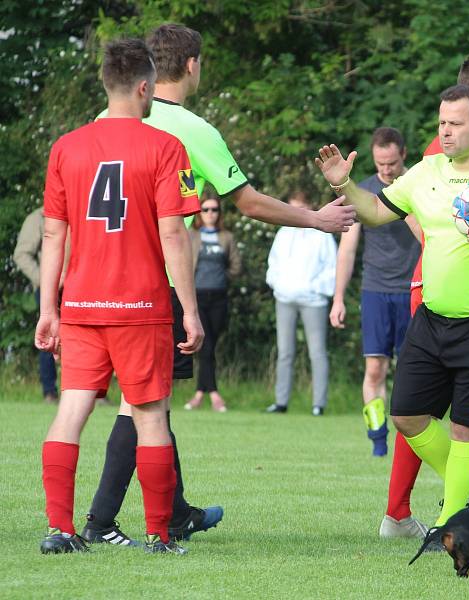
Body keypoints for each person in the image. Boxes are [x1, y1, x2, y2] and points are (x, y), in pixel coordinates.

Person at [81, 23, 355, 547]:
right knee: (143, 406)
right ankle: (100, 521)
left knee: (143, 401)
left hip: (99, 274)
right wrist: (316, 220)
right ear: (192, 66)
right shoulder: (194, 130)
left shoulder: (107, 116)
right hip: (154, 280)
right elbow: (246, 201)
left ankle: (175, 511)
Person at [315, 84, 469, 555]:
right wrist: (341, 183)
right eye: (441, 123)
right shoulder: (425, 172)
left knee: (468, 427)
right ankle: (468, 488)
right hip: (432, 315)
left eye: (456, 123)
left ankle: (452, 525)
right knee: (405, 414)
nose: (445, 131)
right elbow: (372, 212)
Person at [37, 38, 202, 554]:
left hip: (81, 304)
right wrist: (190, 311)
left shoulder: (66, 147)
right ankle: (158, 535)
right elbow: (174, 234)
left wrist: (48, 309)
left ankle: (60, 530)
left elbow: (52, 235)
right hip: (142, 306)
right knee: (150, 415)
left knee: (71, 410)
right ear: (145, 86)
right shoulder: (164, 147)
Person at [382, 53, 469, 541]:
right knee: (440, 413)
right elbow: (416, 216)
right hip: (442, 294)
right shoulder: (448, 149)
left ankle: (407, 511)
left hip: (454, 291)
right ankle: (467, 507)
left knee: (458, 415)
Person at [327, 127, 420, 458]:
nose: (386, 170)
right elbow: (347, 250)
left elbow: (429, 238)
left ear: (403, 156)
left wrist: (402, 198)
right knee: (375, 370)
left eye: (392, 163)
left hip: (413, 290)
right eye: (381, 164)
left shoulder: (419, 186)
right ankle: (378, 440)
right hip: (375, 291)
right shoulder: (363, 190)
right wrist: (338, 298)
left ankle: (414, 439)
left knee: (413, 371)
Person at [266, 190, 337, 415]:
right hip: (285, 298)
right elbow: (273, 263)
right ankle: (281, 401)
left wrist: (314, 288)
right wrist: (278, 285)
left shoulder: (322, 234)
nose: (297, 212)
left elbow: (332, 267)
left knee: (317, 352)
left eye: (301, 207)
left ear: (310, 206)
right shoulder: (283, 232)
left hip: (313, 300)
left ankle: (318, 404)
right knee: (285, 351)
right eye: (293, 207)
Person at [184, 189, 241, 413]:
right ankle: (213, 395)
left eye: (214, 209)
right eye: (205, 209)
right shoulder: (191, 235)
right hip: (197, 296)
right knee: (205, 346)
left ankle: (199, 393)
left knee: (211, 346)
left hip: (219, 297)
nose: (210, 213)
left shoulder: (227, 237)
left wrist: (222, 277)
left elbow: (236, 266)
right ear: (199, 212)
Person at [14, 206, 59, 403]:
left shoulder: (79, 212)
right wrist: (43, 279)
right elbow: (22, 254)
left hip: (78, 285)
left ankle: (94, 393)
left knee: (89, 338)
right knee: (48, 338)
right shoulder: (37, 219)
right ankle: (49, 392)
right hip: (50, 288)